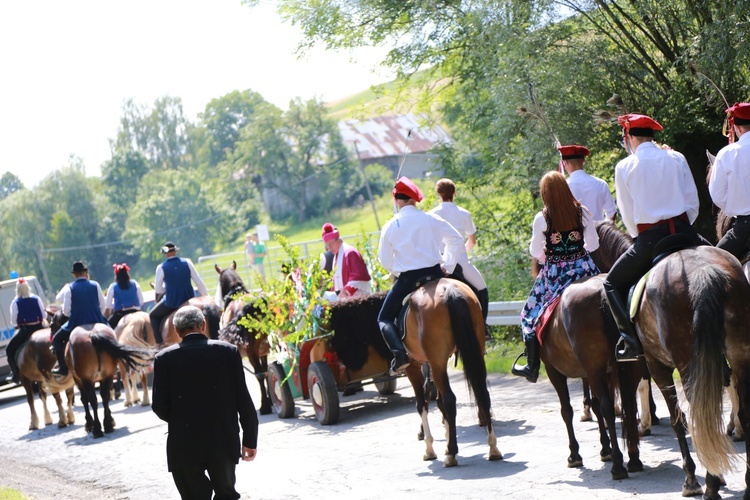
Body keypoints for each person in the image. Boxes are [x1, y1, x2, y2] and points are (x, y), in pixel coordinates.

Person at [604, 113, 710, 362]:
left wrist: (638, 236)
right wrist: (685, 227)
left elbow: (628, 215)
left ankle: (630, 342)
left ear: (629, 137)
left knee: (611, 284)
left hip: (650, 241)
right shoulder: (676, 157)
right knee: (729, 263)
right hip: (686, 233)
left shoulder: (624, 166)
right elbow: (692, 202)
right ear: (652, 135)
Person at [152, 305, 258, 500]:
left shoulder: (163, 359)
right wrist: (250, 440)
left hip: (183, 443)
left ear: (176, 330)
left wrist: (180, 419)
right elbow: (243, 399)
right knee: (226, 494)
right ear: (204, 325)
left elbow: (159, 405)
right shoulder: (228, 352)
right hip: (223, 438)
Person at [512, 171, 600, 383]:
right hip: (584, 268)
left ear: (545, 194)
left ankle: (532, 366)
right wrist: (578, 252)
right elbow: (594, 244)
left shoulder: (542, 218)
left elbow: (535, 252)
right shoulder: (583, 212)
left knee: (530, 313)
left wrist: (548, 256)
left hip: (555, 273)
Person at [377, 176, 465, 374]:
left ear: (396, 200)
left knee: (383, 318)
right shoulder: (431, 218)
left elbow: (384, 260)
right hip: (435, 273)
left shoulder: (390, 225)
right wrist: (448, 267)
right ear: (414, 199)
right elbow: (457, 240)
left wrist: (399, 270)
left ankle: (399, 355)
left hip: (408, 278)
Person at [428, 178, 490, 323]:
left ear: (438, 193)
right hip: (461, 261)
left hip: (438, 263)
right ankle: (483, 325)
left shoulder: (430, 214)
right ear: (454, 193)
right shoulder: (463, 213)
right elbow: (472, 241)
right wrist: (463, 251)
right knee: (482, 290)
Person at [51, 261, 108, 376]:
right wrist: (95, 314)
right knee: (113, 335)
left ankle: (63, 368)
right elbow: (104, 306)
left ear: (74, 274)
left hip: (76, 323)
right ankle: (116, 361)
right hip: (97, 320)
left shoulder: (69, 288)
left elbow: (66, 312)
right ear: (85, 272)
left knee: (56, 340)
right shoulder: (95, 284)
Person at [709, 102, 750, 260]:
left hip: (744, 227)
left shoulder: (726, 154)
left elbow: (718, 195)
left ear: (736, 128)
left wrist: (737, 207)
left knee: (712, 264)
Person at [150, 241, 209, 345]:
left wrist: (169, 289)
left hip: (172, 302)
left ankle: (160, 345)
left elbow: (158, 290)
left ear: (165, 253)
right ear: (175, 251)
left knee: (153, 315)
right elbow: (198, 282)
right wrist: (206, 296)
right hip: (189, 299)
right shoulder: (187, 262)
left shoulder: (161, 267)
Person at [559, 145, 617, 222]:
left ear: (565, 163)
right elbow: (612, 215)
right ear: (583, 161)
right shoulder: (601, 184)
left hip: (575, 233)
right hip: (599, 232)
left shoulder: (563, 187)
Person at [4, 279, 46, 383]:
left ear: (17, 290)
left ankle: (16, 374)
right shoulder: (36, 298)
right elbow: (44, 315)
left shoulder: (16, 302)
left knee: (9, 350)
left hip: (26, 331)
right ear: (28, 288)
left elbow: (13, 321)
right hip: (40, 328)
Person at [321, 222, 371, 298]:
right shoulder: (336, 256)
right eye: (327, 246)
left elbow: (358, 276)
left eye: (331, 244)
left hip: (356, 298)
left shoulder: (350, 253)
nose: (329, 248)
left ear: (338, 239)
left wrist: (345, 291)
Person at [104, 263, 144, 329]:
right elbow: (141, 301)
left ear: (116, 275)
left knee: (107, 328)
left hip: (120, 314)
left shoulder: (113, 286)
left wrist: (116, 306)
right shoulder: (135, 283)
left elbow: (108, 304)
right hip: (136, 311)